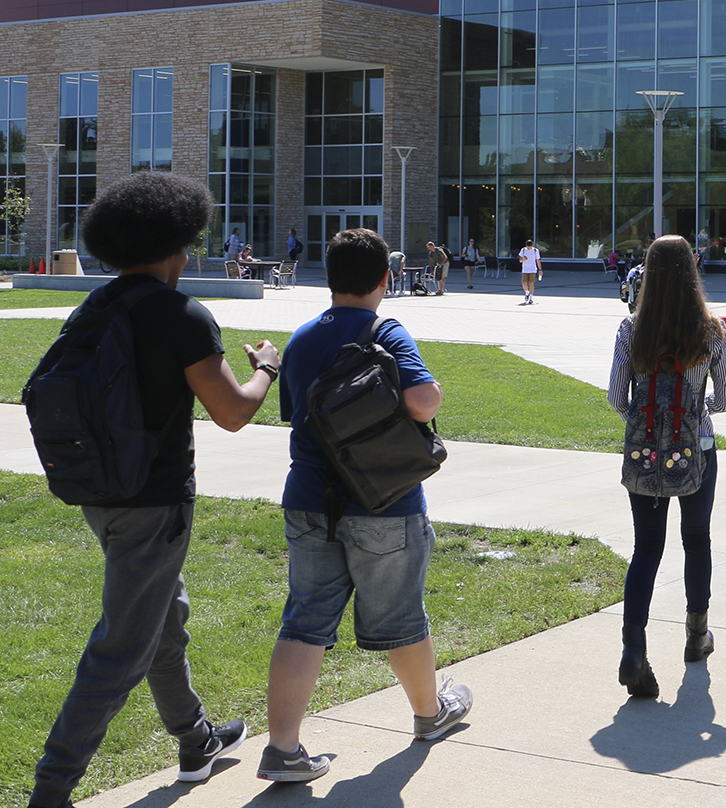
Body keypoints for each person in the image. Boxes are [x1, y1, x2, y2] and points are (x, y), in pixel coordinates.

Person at [27, 173, 280, 808]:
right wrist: (267, 369)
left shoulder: (98, 305)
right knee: (122, 648)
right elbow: (231, 411)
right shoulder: (181, 314)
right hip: (154, 500)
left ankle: (195, 741)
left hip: (98, 491)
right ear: (178, 241)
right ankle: (51, 789)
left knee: (164, 617)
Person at [258, 227, 468, 783]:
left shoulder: (301, 339)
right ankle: (430, 713)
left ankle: (282, 749)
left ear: (329, 277)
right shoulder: (385, 329)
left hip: (308, 499)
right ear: (384, 278)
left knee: (304, 620)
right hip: (385, 502)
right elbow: (423, 403)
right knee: (401, 616)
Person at [606, 235, 726, 698]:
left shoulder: (631, 329)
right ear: (691, 271)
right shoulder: (712, 329)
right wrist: (694, 417)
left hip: (643, 450)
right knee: (696, 540)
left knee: (646, 548)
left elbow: (615, 397)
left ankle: (633, 650)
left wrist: (648, 422)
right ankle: (696, 635)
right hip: (695, 447)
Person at [517, 238, 541, 305]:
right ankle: (527, 292)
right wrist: (523, 259)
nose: (529, 248)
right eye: (528, 247)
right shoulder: (523, 250)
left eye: (530, 247)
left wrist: (540, 269)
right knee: (524, 283)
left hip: (533, 269)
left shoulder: (535, 251)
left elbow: (538, 260)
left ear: (532, 245)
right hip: (525, 269)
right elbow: (520, 260)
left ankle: (531, 297)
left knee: (531, 283)